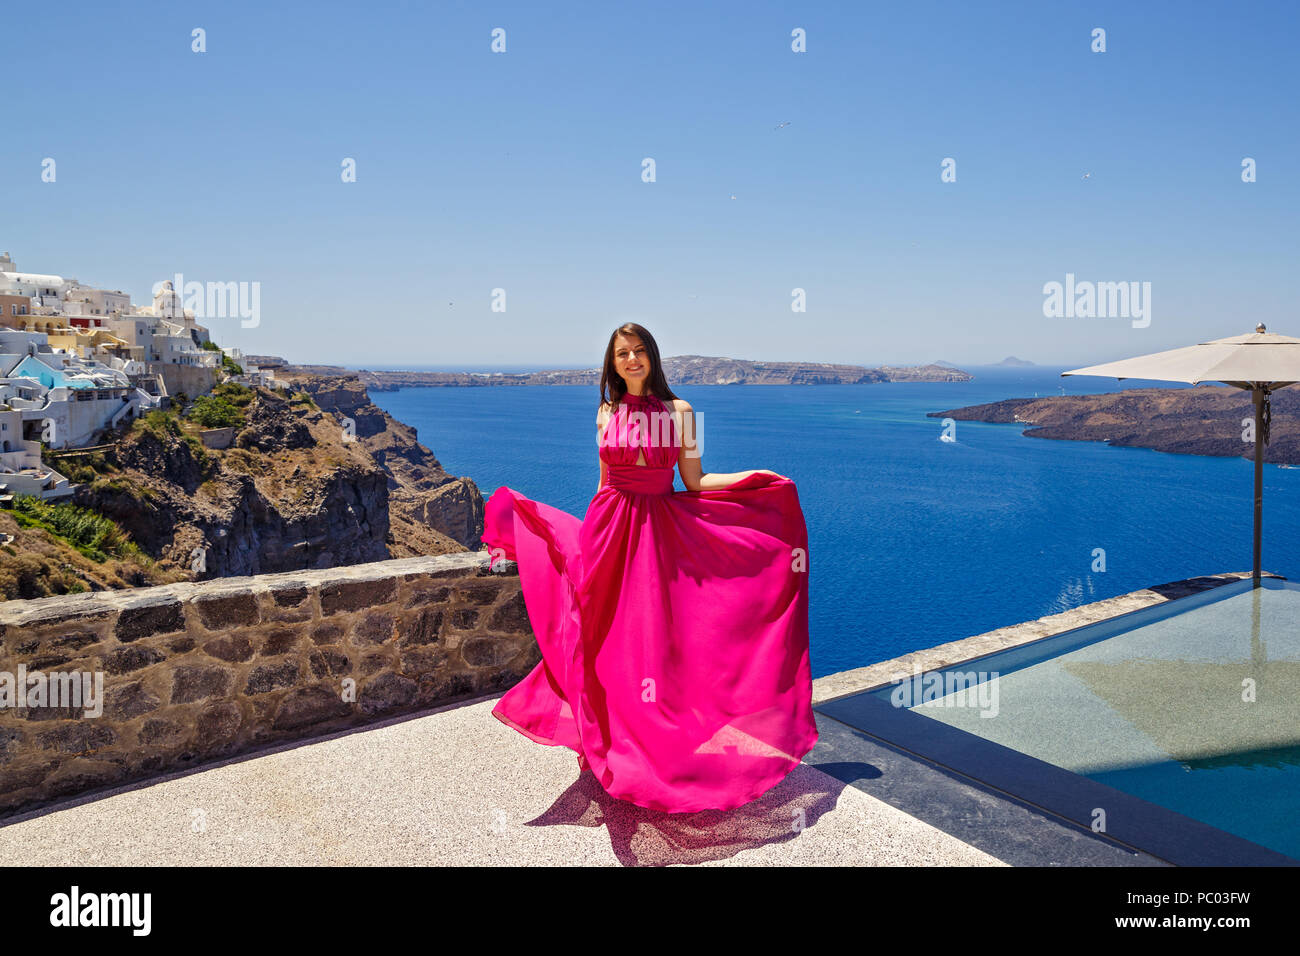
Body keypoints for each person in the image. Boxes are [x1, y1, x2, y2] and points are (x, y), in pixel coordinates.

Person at [482, 322, 818, 813]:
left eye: (639, 351)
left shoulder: (679, 412)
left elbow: (696, 480)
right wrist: (590, 539)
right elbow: (604, 485)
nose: (632, 359)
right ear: (612, 362)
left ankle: (656, 752)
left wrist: (754, 480)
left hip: (657, 534)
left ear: (652, 357)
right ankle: (607, 747)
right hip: (608, 530)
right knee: (601, 639)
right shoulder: (605, 412)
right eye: (623, 353)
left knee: (657, 643)